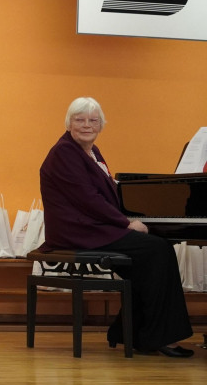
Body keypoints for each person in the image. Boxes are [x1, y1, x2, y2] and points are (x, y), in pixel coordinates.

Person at [38, 97, 193, 357]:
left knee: (152, 254)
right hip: (77, 231)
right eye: (80, 120)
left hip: (93, 226)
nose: (87, 125)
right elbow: (88, 199)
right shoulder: (64, 152)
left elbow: (107, 194)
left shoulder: (91, 152)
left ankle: (130, 333)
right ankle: (159, 337)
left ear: (101, 125)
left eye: (93, 120)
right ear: (69, 123)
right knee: (158, 251)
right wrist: (125, 222)